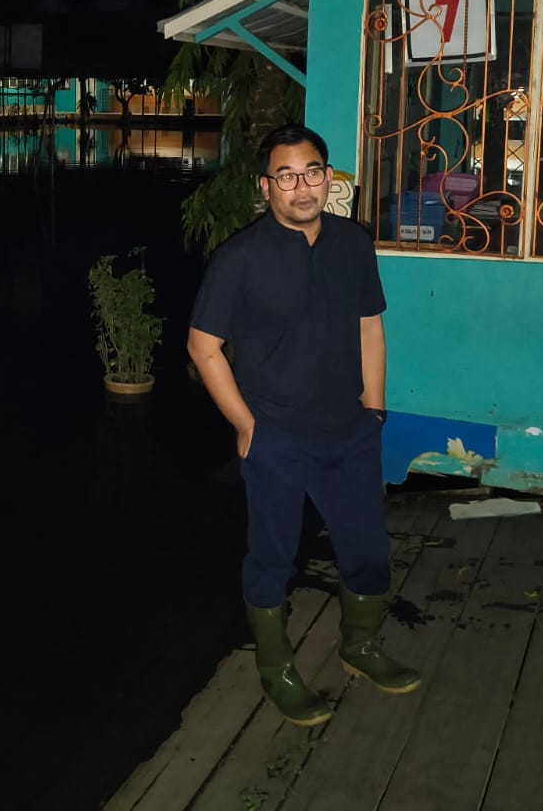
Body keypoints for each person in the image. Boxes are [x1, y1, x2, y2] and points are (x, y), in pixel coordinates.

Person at [187, 124, 418, 727]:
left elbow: (371, 324)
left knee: (367, 549)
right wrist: (245, 425)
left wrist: (375, 407)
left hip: (349, 430)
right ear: (267, 187)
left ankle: (361, 646)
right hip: (278, 437)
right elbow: (203, 346)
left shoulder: (352, 243)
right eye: (286, 177)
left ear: (327, 177)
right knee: (273, 556)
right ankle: (276, 667)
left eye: (312, 172)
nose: (302, 187)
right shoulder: (240, 258)